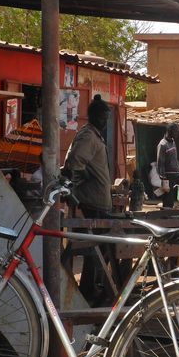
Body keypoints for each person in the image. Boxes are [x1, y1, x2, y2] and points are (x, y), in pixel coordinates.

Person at [63, 94, 113, 305]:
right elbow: (74, 162)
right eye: (102, 117)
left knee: (101, 248)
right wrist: (78, 178)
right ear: (93, 117)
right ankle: (88, 291)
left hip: (99, 200)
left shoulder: (94, 135)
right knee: (95, 249)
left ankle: (90, 287)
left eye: (106, 117)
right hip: (92, 201)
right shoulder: (89, 136)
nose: (105, 120)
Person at [156, 123, 179, 208]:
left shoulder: (173, 142)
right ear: (169, 131)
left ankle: (170, 214)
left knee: (175, 196)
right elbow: (160, 162)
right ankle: (166, 215)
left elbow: (175, 158)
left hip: (175, 174)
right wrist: (163, 177)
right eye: (175, 131)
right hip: (167, 175)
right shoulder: (162, 144)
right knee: (168, 197)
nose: (177, 133)